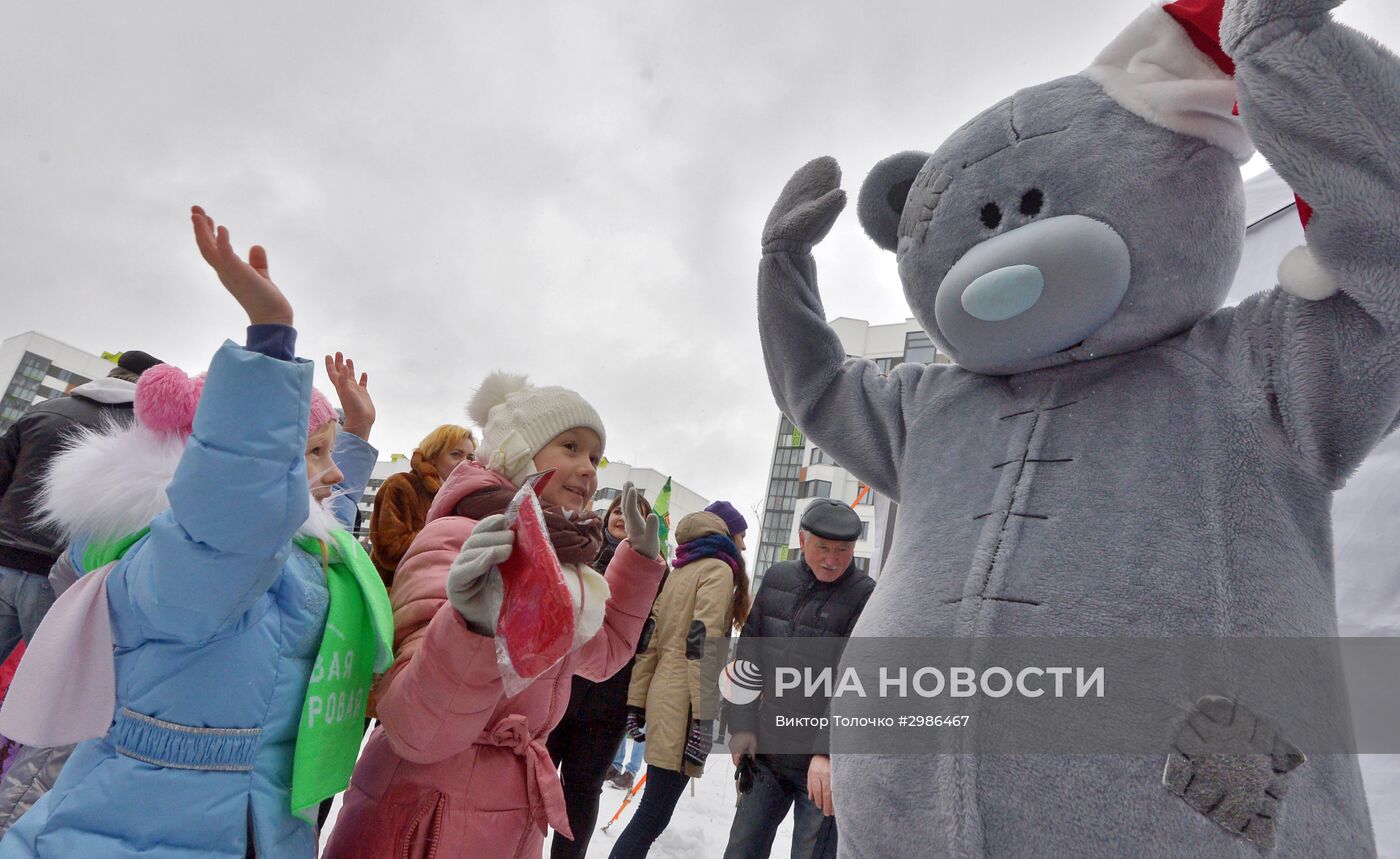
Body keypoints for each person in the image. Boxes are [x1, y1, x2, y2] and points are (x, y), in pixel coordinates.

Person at [0, 207, 388, 859]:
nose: (332, 478)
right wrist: (268, 344)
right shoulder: (193, 557)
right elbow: (239, 517)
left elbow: (316, 545)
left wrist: (355, 437)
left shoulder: (287, 553)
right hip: (151, 827)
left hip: (233, 817)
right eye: (312, 453)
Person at [323, 373, 665, 859]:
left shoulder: (561, 563)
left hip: (511, 814)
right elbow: (417, 729)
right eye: (570, 446)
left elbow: (601, 654)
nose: (589, 468)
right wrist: (472, 626)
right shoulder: (458, 538)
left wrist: (638, 565)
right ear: (518, 453)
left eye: (595, 455)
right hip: (426, 819)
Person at [722, 499, 873, 859]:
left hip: (820, 768)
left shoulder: (866, 595)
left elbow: (856, 682)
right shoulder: (777, 579)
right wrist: (742, 726)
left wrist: (827, 751)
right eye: (823, 548)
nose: (832, 560)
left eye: (844, 550)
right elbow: (749, 657)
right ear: (802, 541)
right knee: (741, 850)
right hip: (766, 754)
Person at [0, 349, 162, 663]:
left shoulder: (44, 410)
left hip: (3, 557)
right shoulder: (146, 433)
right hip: (64, 574)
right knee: (55, 685)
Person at [609, 506, 750, 858]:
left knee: (650, 812)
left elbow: (650, 643)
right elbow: (703, 647)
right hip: (685, 704)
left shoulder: (681, 569)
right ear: (727, 533)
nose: (745, 546)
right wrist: (703, 718)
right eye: (742, 536)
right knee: (651, 816)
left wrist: (637, 703)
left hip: (662, 694)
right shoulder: (717, 571)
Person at [546, 492, 655, 859]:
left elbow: (647, 638)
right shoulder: (580, 552)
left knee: (583, 789)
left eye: (636, 513)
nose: (625, 518)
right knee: (532, 779)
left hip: (609, 702)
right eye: (619, 511)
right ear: (607, 515)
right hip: (560, 690)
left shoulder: (654, 568)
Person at [369, 424, 475, 588]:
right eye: (456, 454)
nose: (464, 463)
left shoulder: (468, 498)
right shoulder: (400, 485)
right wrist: (449, 532)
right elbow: (389, 551)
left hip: (444, 594)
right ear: (432, 457)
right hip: (396, 595)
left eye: (470, 458)